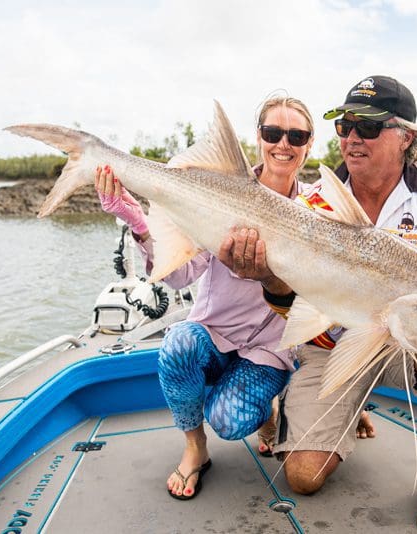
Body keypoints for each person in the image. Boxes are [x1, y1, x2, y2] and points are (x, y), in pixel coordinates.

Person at [219, 75, 417, 531]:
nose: (354, 137)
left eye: (370, 127)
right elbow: (294, 308)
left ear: (406, 138)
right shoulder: (312, 202)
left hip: (404, 340)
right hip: (332, 341)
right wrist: (267, 278)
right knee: (302, 478)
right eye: (345, 125)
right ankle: (348, 405)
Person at [94, 95, 316, 500]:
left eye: (296, 135)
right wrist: (137, 222)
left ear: (310, 144)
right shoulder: (218, 191)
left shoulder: (318, 208)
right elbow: (179, 276)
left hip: (269, 350)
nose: (284, 143)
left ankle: (266, 410)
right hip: (214, 334)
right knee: (178, 344)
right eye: (273, 132)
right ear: (259, 138)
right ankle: (195, 447)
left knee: (231, 421)